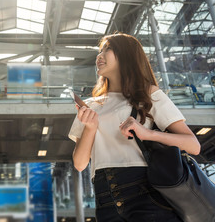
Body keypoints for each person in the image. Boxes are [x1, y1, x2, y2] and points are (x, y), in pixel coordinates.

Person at [68, 33, 200, 222]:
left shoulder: (149, 94)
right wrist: (90, 128)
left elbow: (193, 145)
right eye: (100, 51)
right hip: (105, 198)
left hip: (146, 190)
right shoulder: (90, 105)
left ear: (126, 55)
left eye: (107, 49)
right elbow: (80, 164)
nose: (100, 55)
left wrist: (147, 133)